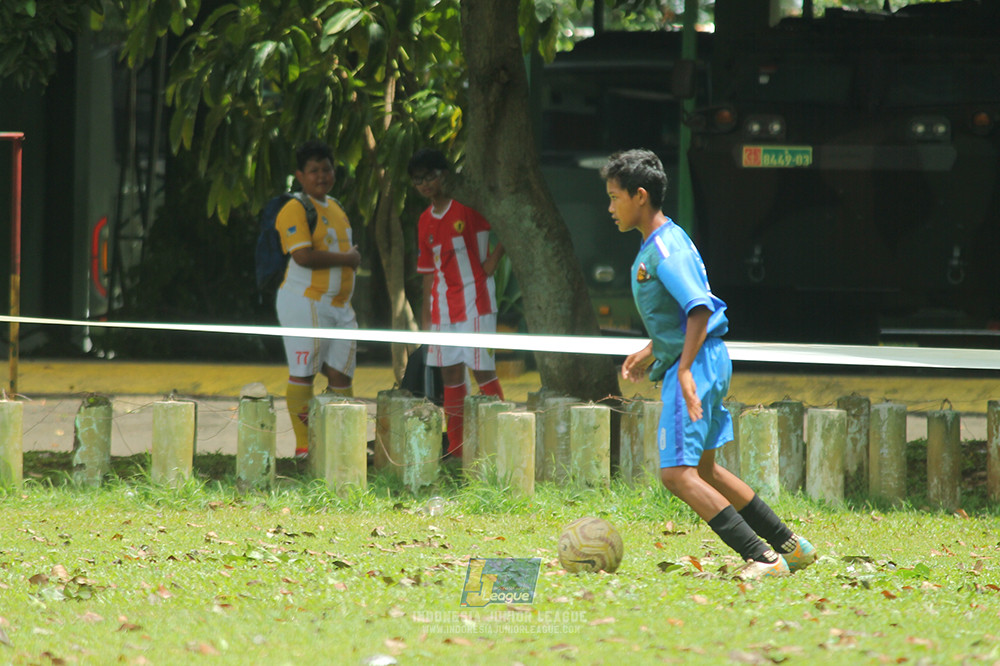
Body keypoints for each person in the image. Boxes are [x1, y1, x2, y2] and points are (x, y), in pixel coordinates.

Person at [602, 148, 816, 580]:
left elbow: (699, 307)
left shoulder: (664, 248)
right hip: (708, 359)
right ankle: (792, 548)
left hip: (696, 367)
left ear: (640, 196)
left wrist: (682, 369)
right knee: (704, 469)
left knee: (676, 474)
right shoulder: (667, 238)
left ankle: (763, 558)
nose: (610, 208)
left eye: (614, 197)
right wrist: (652, 350)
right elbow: (680, 315)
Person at [408, 148, 505, 458]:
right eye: (418, 180)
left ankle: (501, 445)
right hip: (442, 309)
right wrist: (427, 318)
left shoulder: (467, 208)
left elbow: (504, 225)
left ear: (444, 175)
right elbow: (427, 273)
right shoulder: (424, 220)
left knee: (483, 373)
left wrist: (493, 261)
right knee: (450, 376)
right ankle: (457, 449)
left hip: (477, 303)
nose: (425, 184)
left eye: (430, 176)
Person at [276, 140, 360, 459]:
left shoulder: (336, 206)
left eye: (326, 169)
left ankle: (339, 448)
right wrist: (348, 260)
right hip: (305, 301)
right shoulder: (295, 208)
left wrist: (348, 260)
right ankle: (304, 448)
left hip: (340, 307)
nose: (321, 176)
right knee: (304, 372)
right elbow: (302, 256)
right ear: (300, 176)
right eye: (313, 171)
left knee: (341, 374)